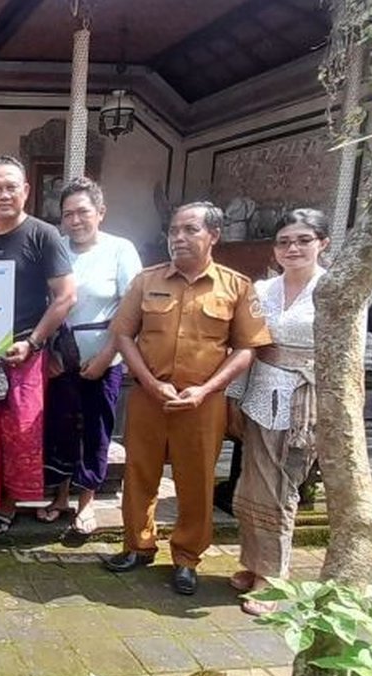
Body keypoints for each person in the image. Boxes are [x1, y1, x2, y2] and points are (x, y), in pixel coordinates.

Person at [105, 201, 272, 595]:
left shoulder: (236, 286)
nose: (178, 238)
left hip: (204, 403)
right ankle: (137, 545)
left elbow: (247, 348)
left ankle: (186, 558)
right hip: (149, 398)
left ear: (213, 235)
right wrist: (147, 381)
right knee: (139, 475)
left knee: (196, 481)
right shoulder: (147, 281)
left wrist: (206, 390)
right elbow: (123, 334)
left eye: (190, 230)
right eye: (174, 230)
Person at [0, 156, 76, 540]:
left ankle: (6, 505)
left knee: (19, 433)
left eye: (11, 186)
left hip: (25, 353)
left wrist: (33, 342)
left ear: (26, 190)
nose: (4, 194)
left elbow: (65, 297)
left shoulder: (44, 235)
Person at [231, 209, 328, 615]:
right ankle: (252, 564)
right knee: (253, 484)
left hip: (304, 401)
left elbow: (350, 351)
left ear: (322, 243)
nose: (293, 248)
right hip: (260, 392)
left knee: (282, 488)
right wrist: (234, 395)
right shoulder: (262, 288)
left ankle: (274, 576)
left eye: (303, 239)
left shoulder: (334, 290)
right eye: (285, 241)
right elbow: (245, 342)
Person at [38, 178, 142, 545]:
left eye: (83, 211)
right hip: (60, 356)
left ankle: (86, 502)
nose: (75, 220)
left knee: (96, 431)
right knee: (60, 427)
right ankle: (60, 495)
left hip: (104, 353)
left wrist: (107, 355)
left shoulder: (120, 250)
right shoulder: (56, 249)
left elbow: (131, 310)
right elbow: (46, 304)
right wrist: (48, 351)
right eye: (68, 214)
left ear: (100, 212)